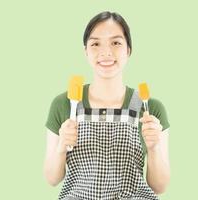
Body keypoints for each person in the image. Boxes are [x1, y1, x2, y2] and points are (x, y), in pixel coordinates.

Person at [43, 11, 170, 200]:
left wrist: (154, 148)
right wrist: (61, 146)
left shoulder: (150, 109)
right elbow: (52, 179)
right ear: (86, 51)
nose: (106, 52)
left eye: (116, 42)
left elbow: (159, 187)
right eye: (95, 43)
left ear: (128, 50)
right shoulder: (64, 104)